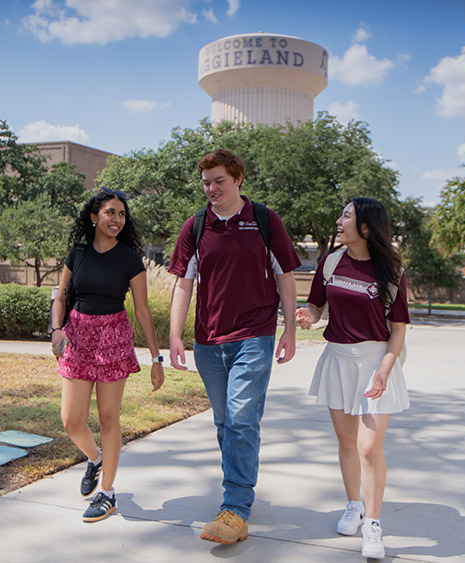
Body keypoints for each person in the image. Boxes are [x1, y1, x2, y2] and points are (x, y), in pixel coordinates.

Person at [168, 148, 301, 544]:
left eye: (219, 181)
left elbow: (286, 278)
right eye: (206, 182)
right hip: (209, 341)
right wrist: (176, 335)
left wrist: (290, 329)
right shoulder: (195, 227)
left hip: (254, 334)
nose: (211, 189)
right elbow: (183, 284)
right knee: (226, 422)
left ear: (238, 178)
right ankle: (237, 493)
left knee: (241, 419)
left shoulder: (264, 220)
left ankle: (236, 508)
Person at [295, 197, 410, 559]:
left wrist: (384, 372)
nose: (339, 220)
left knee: (369, 447)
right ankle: (353, 505)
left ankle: (373, 525)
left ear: (365, 228)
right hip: (338, 361)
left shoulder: (390, 272)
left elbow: (399, 329)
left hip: (376, 362)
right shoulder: (330, 262)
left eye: (346, 215)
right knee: (346, 443)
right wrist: (310, 316)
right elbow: (317, 304)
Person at [50, 188, 166, 523]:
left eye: (121, 214)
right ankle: (94, 457)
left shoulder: (130, 259)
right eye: (110, 212)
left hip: (113, 337)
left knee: (108, 417)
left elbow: (142, 312)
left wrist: (156, 361)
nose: (116, 219)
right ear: (93, 217)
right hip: (77, 335)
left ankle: (108, 492)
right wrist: (56, 329)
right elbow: (61, 296)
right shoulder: (78, 253)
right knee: (71, 419)